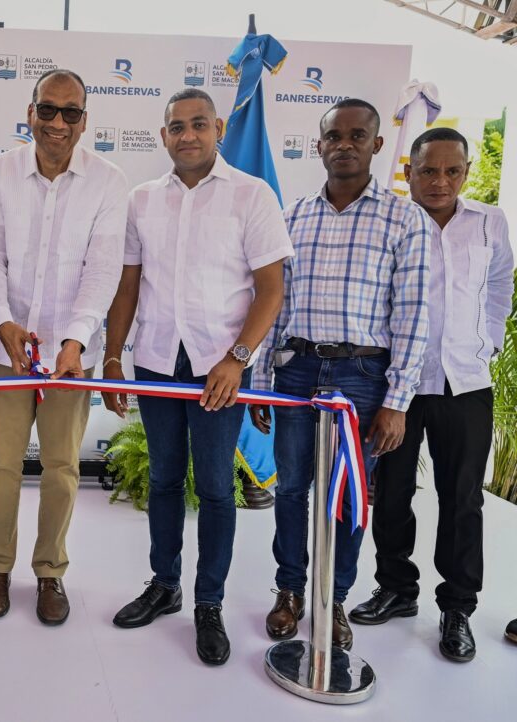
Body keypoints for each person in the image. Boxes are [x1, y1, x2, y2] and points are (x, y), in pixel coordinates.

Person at [102, 89, 292, 666]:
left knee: (213, 486)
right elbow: (128, 285)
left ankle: (208, 603)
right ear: (163, 135)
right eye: (176, 127)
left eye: (199, 125)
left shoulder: (251, 195)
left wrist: (238, 358)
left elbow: (271, 289)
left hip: (219, 366)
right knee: (162, 479)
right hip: (158, 359)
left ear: (218, 129)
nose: (188, 136)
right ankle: (165, 584)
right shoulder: (140, 200)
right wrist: (112, 357)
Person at [250, 98, 430, 651]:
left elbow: (414, 313)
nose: (344, 144)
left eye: (358, 136)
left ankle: (335, 600)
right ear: (319, 144)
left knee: (349, 496)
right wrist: (260, 381)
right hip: (297, 370)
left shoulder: (404, 218)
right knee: (292, 490)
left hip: (361, 376)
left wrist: (397, 400)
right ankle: (290, 592)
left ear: (377, 145)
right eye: (334, 136)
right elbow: (272, 304)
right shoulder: (293, 215)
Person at [349, 128, 513, 663]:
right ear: (409, 173)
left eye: (451, 171)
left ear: (465, 172)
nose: (439, 181)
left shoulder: (489, 222)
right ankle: (396, 587)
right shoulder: (392, 220)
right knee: (391, 491)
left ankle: (458, 606)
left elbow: (499, 285)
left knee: (462, 498)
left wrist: (486, 340)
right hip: (398, 382)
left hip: (465, 381)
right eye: (427, 170)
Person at [0, 68, 128, 626]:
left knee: (62, 465)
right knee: (3, 463)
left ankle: (50, 573)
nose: (58, 123)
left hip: (72, 354)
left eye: (71, 113)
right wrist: (3, 322)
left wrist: (77, 338)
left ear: (85, 121)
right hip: (4, 345)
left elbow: (103, 268)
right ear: (30, 111)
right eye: (48, 110)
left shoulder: (109, 181)